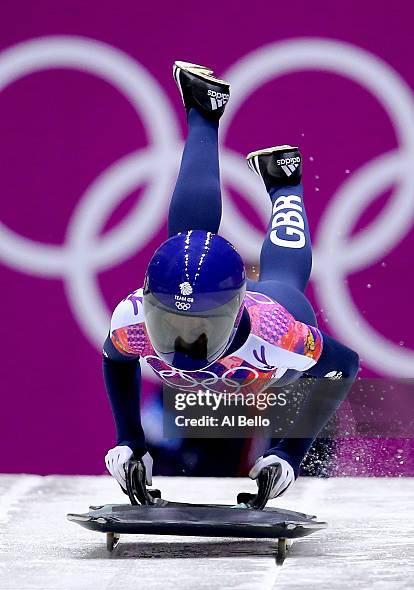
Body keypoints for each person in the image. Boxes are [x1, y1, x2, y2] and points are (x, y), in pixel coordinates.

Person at [103, 61, 359, 499]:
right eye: (171, 322)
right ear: (148, 304)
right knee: (186, 245)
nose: (186, 340)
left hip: (265, 351)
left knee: (283, 283)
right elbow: (116, 360)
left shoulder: (277, 331)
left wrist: (289, 454)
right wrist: (131, 442)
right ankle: (205, 112)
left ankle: (286, 186)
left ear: (238, 306)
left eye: (201, 325)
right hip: (243, 352)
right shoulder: (132, 319)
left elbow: (343, 365)